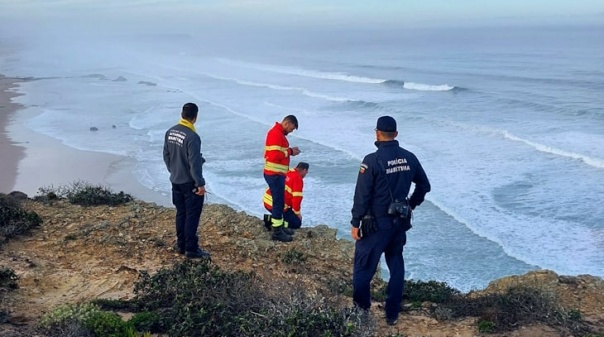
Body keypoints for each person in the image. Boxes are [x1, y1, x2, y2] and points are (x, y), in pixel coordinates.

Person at [350, 115, 431, 325]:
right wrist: (411, 204)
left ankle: (361, 311)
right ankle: (392, 313)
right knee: (396, 265)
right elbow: (424, 186)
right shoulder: (409, 158)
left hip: (376, 225)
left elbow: (362, 195)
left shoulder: (371, 160)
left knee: (363, 268)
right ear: (395, 134)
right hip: (399, 223)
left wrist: (355, 222)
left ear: (377, 133)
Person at [163, 102, 210, 259]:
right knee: (192, 215)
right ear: (195, 117)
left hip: (175, 180)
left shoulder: (170, 132)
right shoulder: (192, 137)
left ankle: (181, 245)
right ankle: (191, 248)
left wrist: (174, 170)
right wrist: (200, 184)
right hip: (189, 183)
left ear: (182, 114)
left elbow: (166, 155)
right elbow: (194, 164)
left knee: (181, 213)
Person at [263, 115, 301, 242]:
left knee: (279, 202)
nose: (291, 131)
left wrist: (289, 150)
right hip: (274, 174)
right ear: (287, 123)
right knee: (278, 203)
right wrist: (290, 152)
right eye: (291, 128)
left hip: (276, 174)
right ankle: (277, 232)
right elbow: (273, 156)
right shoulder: (276, 134)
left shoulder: (278, 134)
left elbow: (277, 153)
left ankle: (278, 227)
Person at [263, 162, 309, 230]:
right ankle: (272, 222)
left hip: (267, 200)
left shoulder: (289, 171)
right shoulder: (297, 179)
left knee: (289, 212)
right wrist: (298, 214)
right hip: (275, 204)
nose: (306, 174)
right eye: (306, 172)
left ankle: (273, 218)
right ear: (304, 170)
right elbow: (297, 199)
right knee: (296, 223)